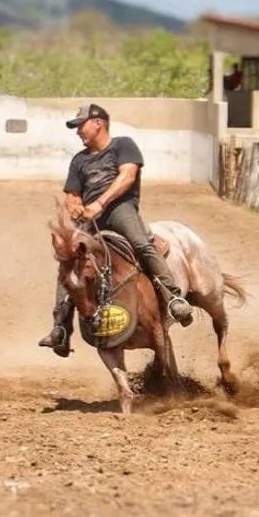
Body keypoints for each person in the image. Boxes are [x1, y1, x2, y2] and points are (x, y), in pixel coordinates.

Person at [39, 104, 194, 357]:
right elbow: (72, 194)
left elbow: (127, 177)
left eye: (81, 125)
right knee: (69, 263)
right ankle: (60, 327)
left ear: (98, 123)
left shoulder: (123, 145)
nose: (78, 131)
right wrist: (76, 207)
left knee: (141, 243)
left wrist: (99, 204)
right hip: (90, 217)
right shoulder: (79, 160)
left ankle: (172, 297)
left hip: (120, 210)